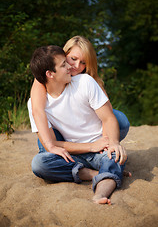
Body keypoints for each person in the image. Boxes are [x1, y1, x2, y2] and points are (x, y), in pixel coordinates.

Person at [28, 45, 127, 205]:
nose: (71, 67)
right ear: (50, 74)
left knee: (113, 155)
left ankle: (100, 193)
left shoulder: (85, 82)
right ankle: (95, 173)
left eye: (81, 63)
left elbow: (109, 118)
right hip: (73, 153)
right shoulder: (36, 103)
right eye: (65, 63)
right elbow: (51, 144)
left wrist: (112, 143)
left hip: (100, 148)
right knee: (39, 163)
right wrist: (90, 146)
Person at [30, 36, 130, 152]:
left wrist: (105, 142)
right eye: (73, 58)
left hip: (87, 131)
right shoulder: (47, 77)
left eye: (83, 63)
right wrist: (50, 144)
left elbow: (107, 115)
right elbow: (37, 110)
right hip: (62, 132)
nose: (76, 66)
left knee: (119, 119)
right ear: (64, 54)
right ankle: (57, 158)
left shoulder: (87, 80)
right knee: (43, 132)